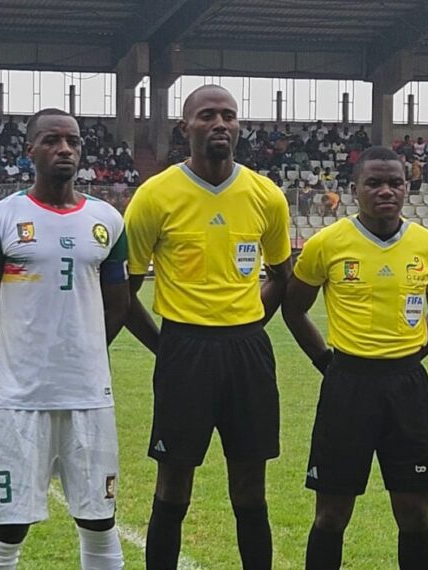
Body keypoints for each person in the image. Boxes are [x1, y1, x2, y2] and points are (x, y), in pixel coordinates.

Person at [123, 84, 292, 570]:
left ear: (239, 126)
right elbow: (124, 290)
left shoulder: (266, 196)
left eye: (229, 115)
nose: (220, 123)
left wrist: (251, 324)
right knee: (173, 483)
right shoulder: (155, 196)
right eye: (207, 115)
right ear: (185, 127)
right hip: (184, 347)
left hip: (247, 352)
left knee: (249, 486)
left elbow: (282, 276)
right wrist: (165, 345)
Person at [0, 109, 130, 570]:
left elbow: (118, 302)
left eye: (73, 141)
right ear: (30, 149)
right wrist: (13, 356)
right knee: (8, 524)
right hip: (21, 398)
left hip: (89, 395)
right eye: (52, 140)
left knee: (99, 517)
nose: (64, 149)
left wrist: (87, 350)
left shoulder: (107, 220)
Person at [284, 146, 428, 569]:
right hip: (347, 386)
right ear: (354, 188)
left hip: (408, 389)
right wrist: (325, 361)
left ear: (407, 187)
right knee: (331, 515)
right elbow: (293, 308)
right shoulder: (327, 244)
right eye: (374, 183)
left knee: (414, 514)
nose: (385, 191)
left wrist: (415, 353)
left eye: (395, 183)